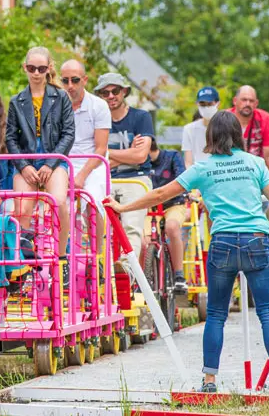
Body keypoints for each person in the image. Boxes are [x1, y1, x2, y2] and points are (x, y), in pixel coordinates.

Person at [105, 112, 269, 395]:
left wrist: (123, 208)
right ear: (238, 135)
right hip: (257, 240)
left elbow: (161, 194)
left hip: (222, 242)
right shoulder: (256, 163)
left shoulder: (203, 167)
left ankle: (209, 381)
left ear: (210, 137)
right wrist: (263, 217)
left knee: (216, 315)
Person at [6, 46, 76, 283]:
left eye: (42, 68)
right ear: (25, 68)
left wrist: (50, 163)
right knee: (22, 209)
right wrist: (24, 166)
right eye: (32, 68)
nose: (36, 73)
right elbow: (10, 138)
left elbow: (68, 134)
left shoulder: (61, 97)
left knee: (58, 202)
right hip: (27, 161)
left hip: (53, 160)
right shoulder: (17, 101)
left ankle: (62, 256)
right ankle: (24, 259)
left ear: (49, 69)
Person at [95, 72, 153, 265]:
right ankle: (100, 268)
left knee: (132, 226)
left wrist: (106, 153)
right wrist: (128, 153)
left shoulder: (141, 117)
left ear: (124, 92)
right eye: (105, 92)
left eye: (115, 91)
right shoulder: (96, 120)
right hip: (105, 178)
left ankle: (127, 268)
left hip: (136, 177)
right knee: (93, 222)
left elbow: (140, 156)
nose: (111, 96)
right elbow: (94, 158)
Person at [59, 59, 111, 210]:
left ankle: (97, 234)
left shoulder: (99, 105)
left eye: (75, 80)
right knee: (60, 205)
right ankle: (65, 234)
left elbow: (101, 149)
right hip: (65, 162)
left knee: (94, 204)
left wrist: (81, 175)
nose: (70, 85)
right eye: (65, 80)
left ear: (85, 80)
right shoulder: (55, 106)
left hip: (94, 163)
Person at [148, 140, 188, 294]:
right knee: (145, 240)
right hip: (149, 207)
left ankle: (179, 275)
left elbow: (181, 178)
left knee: (172, 227)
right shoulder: (139, 163)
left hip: (174, 203)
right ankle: (142, 279)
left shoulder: (172, 156)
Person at [229, 85, 269, 182]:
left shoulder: (264, 119)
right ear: (235, 101)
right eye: (244, 100)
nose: (247, 103)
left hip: (255, 174)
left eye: (251, 101)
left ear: (256, 103)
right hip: (229, 174)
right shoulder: (224, 119)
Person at [182, 86, 220, 168]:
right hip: (198, 174)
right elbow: (188, 162)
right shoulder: (189, 129)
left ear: (217, 104)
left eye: (210, 104)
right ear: (197, 104)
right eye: (203, 104)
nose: (206, 107)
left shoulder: (226, 127)